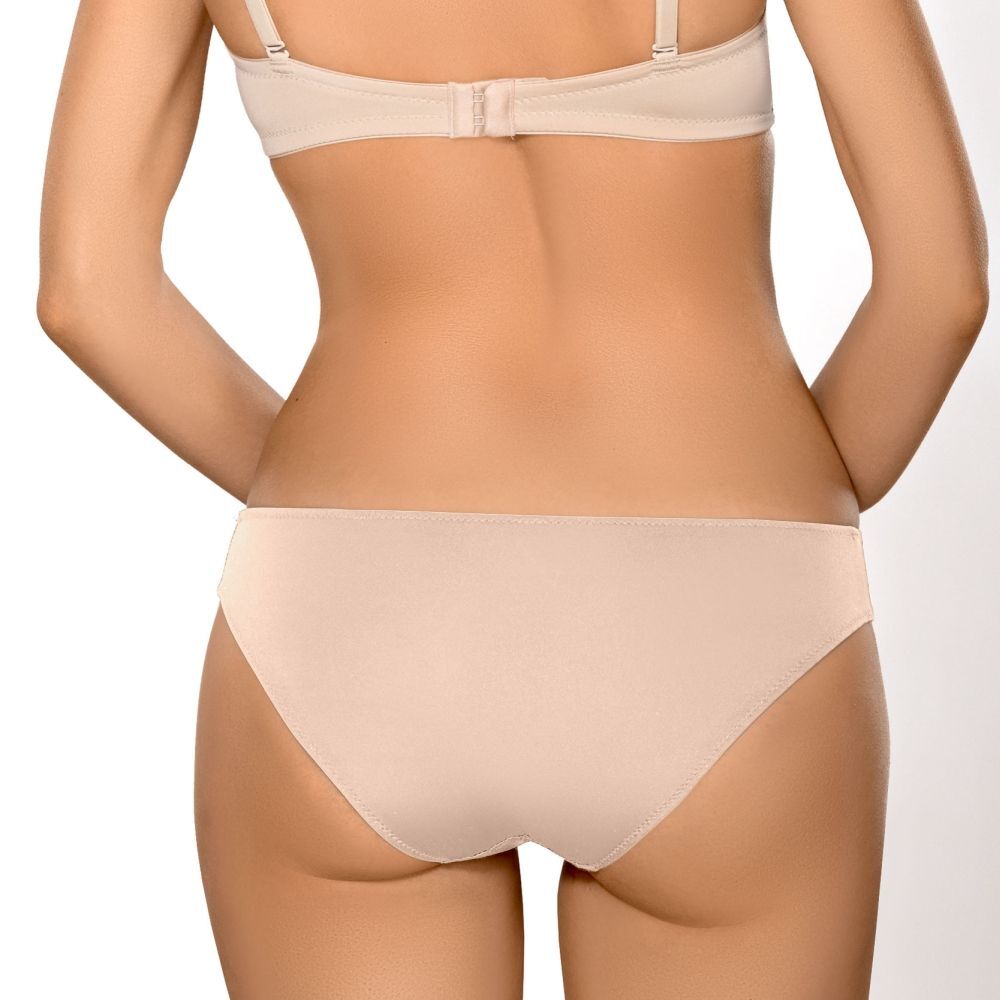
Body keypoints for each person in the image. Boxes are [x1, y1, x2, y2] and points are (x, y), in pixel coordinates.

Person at [37, 0, 988, 996]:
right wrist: (795, 515)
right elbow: (941, 289)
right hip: (724, 618)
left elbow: (88, 293)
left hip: (347, 619)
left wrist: (321, 506)